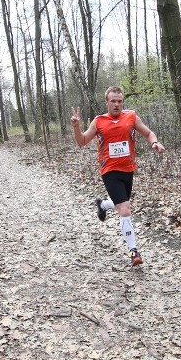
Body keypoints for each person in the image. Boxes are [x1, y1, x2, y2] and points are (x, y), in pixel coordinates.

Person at [70, 86, 165, 266]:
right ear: (106, 102)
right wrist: (76, 127)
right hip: (110, 171)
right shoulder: (99, 121)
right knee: (125, 209)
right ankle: (134, 251)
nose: (116, 104)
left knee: (122, 201)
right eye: (113, 101)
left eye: (119, 101)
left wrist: (155, 143)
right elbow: (82, 142)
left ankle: (103, 205)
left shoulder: (131, 117)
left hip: (128, 169)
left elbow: (148, 133)